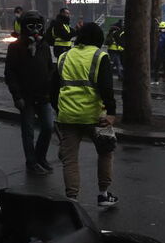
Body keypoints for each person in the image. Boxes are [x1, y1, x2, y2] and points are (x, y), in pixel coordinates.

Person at [49, 22, 119, 206]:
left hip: (68, 117)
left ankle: (72, 200)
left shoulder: (64, 57)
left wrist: (60, 110)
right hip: (96, 117)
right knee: (105, 152)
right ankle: (104, 195)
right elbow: (106, 88)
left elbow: (53, 89)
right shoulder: (99, 56)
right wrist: (111, 112)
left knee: (70, 160)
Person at [5, 11, 56, 175]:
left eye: (38, 26)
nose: (35, 29)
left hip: (43, 96)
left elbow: (50, 68)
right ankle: (31, 162)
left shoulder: (44, 45)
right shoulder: (15, 47)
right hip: (25, 97)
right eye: (31, 25)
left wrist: (50, 90)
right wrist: (16, 95)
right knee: (28, 132)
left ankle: (40, 157)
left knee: (48, 127)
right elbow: (10, 73)